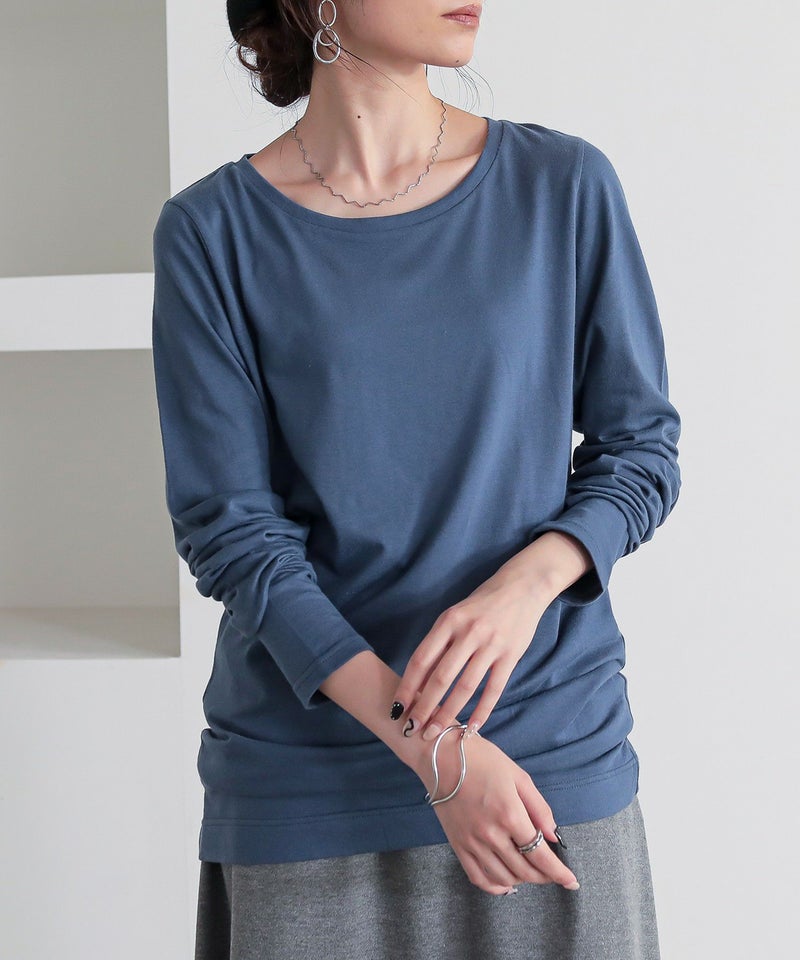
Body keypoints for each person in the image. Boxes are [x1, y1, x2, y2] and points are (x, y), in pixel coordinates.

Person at [150, 2, 682, 958]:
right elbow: (233, 534)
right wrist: (436, 751)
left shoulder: (561, 186)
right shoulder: (212, 231)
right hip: (314, 788)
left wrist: (525, 587)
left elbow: (639, 448)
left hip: (543, 763)